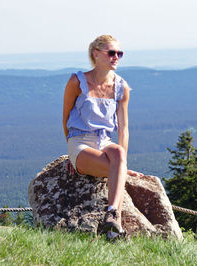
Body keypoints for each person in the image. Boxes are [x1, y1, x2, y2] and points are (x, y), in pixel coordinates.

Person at [62, 35, 143, 238]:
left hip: (104, 141)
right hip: (80, 141)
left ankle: (112, 215)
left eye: (119, 53)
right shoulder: (76, 82)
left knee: (118, 152)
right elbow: (65, 119)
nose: (116, 57)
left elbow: (123, 129)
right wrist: (72, 153)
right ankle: (114, 233)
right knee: (118, 169)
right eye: (111, 53)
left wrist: (122, 163)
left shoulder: (121, 88)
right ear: (96, 54)